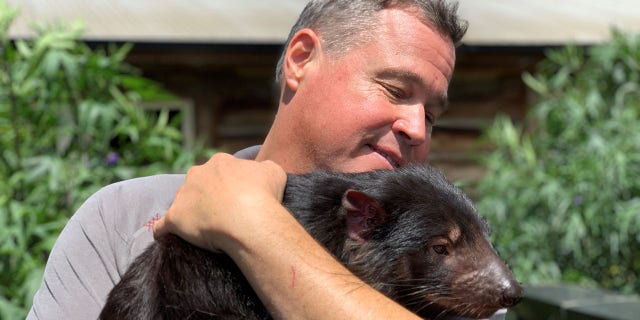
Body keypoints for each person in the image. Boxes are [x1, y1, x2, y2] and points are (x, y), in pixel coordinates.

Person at [28, 0, 476, 319]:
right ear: (301, 59)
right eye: (396, 90)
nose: (417, 128)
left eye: (432, 116)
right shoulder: (122, 218)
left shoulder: (446, 263)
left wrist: (251, 223)